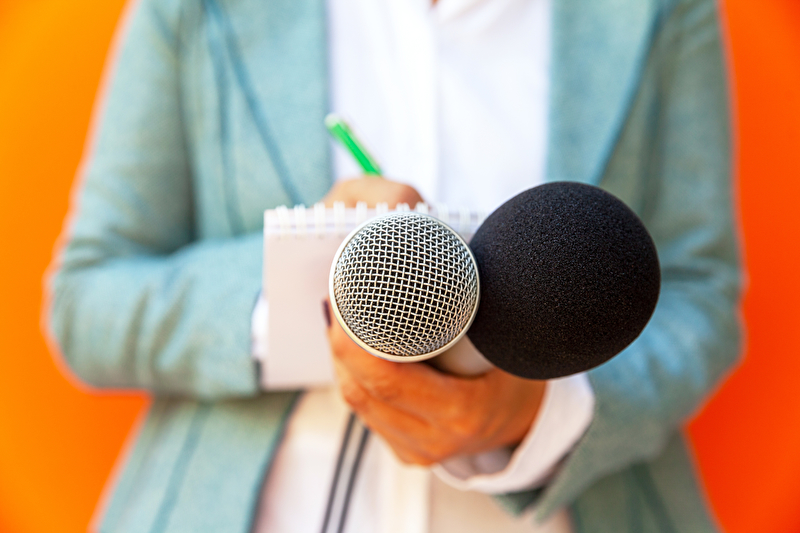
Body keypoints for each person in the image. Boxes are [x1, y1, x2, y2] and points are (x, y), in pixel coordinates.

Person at [47, 0, 742, 530]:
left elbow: (698, 295)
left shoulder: (656, 13)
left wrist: (533, 413)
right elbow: (87, 301)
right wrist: (312, 288)